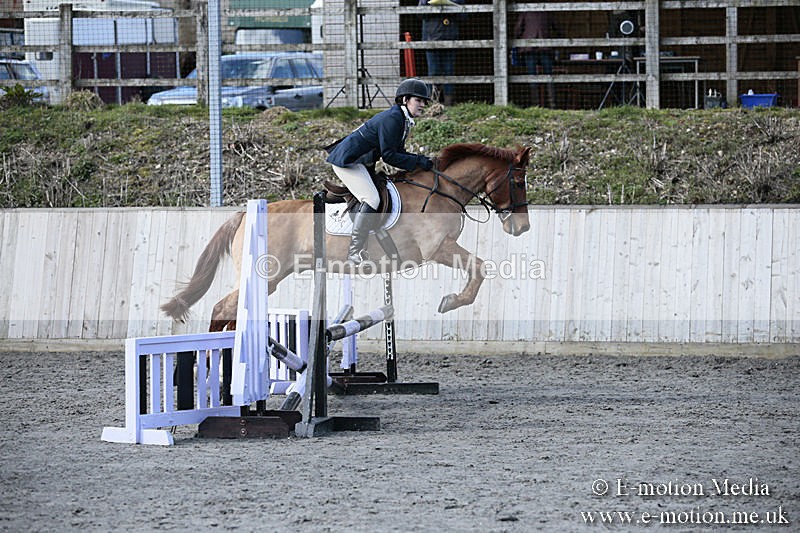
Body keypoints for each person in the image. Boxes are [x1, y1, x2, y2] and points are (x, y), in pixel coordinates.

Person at [326, 78, 434, 265]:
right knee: (372, 199)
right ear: (405, 99)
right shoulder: (394, 118)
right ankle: (354, 252)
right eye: (419, 100)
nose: (423, 105)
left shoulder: (401, 118)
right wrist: (419, 161)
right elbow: (390, 156)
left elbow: (397, 153)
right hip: (348, 162)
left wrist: (419, 161)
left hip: (362, 161)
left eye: (425, 101)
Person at [418, 0, 465, 105]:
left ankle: (449, 102)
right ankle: (433, 102)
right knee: (433, 71)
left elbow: (464, 15)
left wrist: (450, 8)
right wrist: (430, 6)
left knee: (449, 71)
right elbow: (419, 14)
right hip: (431, 39)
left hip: (450, 39)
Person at [514, 11, 558, 108]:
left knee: (532, 76)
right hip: (545, 47)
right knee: (549, 76)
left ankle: (535, 104)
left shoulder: (525, 12)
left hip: (529, 48)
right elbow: (556, 28)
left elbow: (518, 29)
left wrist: (517, 40)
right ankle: (552, 104)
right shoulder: (547, 12)